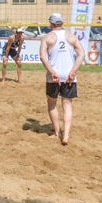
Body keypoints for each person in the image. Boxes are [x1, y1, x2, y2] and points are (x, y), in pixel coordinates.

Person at [39, 13, 85, 146]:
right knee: (67, 105)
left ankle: (56, 133)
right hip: (69, 75)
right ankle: (66, 136)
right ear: (62, 23)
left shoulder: (47, 37)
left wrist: (52, 72)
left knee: (52, 104)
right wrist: (73, 71)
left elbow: (43, 57)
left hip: (54, 76)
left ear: (51, 23)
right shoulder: (71, 36)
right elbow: (82, 54)